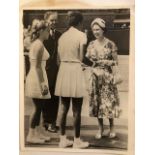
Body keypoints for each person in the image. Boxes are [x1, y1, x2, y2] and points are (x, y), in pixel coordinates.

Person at [54, 11, 89, 148]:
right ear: (80, 23)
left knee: (63, 107)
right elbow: (81, 59)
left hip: (63, 71)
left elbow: (58, 60)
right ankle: (77, 141)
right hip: (74, 71)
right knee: (77, 109)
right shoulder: (82, 35)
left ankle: (62, 140)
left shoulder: (62, 37)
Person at [86, 18, 121, 139]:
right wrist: (92, 67)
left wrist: (104, 62)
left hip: (107, 77)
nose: (96, 32)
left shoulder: (111, 44)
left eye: (98, 29)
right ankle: (100, 128)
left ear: (103, 30)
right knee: (97, 103)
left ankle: (112, 127)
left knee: (109, 103)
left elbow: (116, 62)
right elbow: (87, 61)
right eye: (94, 29)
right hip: (95, 77)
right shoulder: (91, 44)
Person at [25, 20, 51, 144]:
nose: (49, 33)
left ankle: (37, 132)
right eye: (47, 30)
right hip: (37, 77)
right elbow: (38, 67)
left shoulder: (38, 43)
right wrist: (43, 85)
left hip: (37, 76)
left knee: (40, 107)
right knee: (37, 108)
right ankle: (31, 135)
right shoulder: (39, 45)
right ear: (41, 31)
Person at [43, 11, 62, 133]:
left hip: (57, 71)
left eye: (55, 20)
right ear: (46, 21)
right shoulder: (42, 35)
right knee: (46, 98)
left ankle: (52, 122)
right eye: (51, 20)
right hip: (45, 70)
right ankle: (46, 122)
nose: (54, 22)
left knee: (55, 97)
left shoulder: (60, 34)